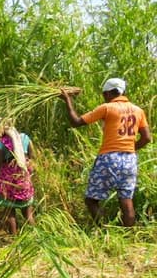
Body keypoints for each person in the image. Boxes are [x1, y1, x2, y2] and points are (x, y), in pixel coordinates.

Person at [62, 78, 151, 226]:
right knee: (126, 200)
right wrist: (128, 148)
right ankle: (128, 237)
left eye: (104, 94)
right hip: (130, 160)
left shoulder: (107, 108)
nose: (104, 97)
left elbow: (76, 122)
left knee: (91, 200)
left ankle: (105, 230)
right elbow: (147, 138)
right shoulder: (138, 110)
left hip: (109, 159)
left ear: (110, 93)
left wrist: (67, 100)